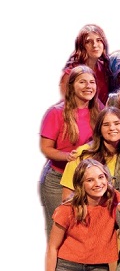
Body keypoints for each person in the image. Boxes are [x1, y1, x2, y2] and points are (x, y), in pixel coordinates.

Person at [40, 65, 102, 236]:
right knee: (60, 231)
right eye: (82, 82)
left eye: (92, 82)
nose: (88, 86)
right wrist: (69, 157)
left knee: (82, 232)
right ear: (71, 85)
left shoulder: (98, 109)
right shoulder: (56, 112)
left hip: (87, 179)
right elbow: (46, 148)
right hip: (58, 179)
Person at [61, 107, 120, 198]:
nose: (112, 128)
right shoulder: (83, 154)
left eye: (117, 123)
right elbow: (67, 196)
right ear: (99, 129)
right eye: (106, 125)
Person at [60, 24, 113, 104]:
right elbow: (66, 104)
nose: (95, 45)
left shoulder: (104, 68)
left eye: (98, 40)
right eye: (88, 42)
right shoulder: (70, 73)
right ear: (81, 46)